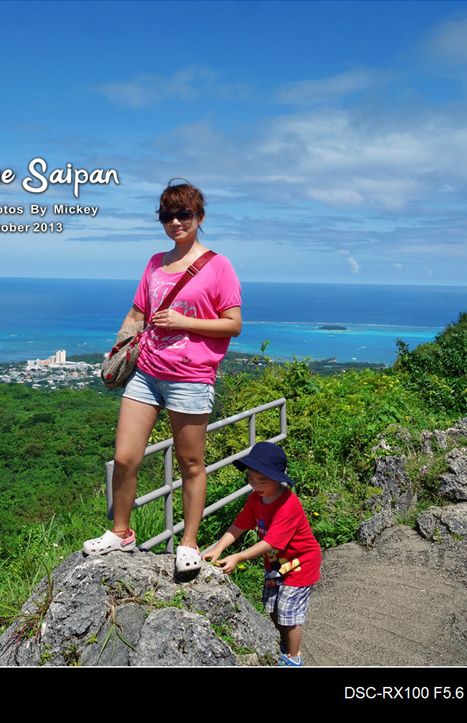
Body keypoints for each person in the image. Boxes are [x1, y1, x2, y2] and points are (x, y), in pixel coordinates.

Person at [83, 180, 242, 575]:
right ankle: (121, 532)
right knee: (124, 457)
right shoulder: (155, 264)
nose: (175, 222)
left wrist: (184, 321)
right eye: (167, 216)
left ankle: (188, 543)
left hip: (191, 376)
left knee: (191, 462)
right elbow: (138, 314)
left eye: (184, 214)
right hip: (147, 372)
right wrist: (116, 354)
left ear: (199, 217)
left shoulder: (218, 266)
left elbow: (234, 324)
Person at [202, 442, 320, 666]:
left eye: (262, 480)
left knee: (289, 611)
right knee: (273, 605)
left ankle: (293, 657)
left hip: (300, 563)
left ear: (278, 478)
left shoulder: (288, 505)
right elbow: (240, 524)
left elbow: (270, 542)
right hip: (276, 564)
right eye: (250, 479)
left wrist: (239, 556)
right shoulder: (256, 498)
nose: (255, 485)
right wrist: (218, 548)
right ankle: (282, 644)